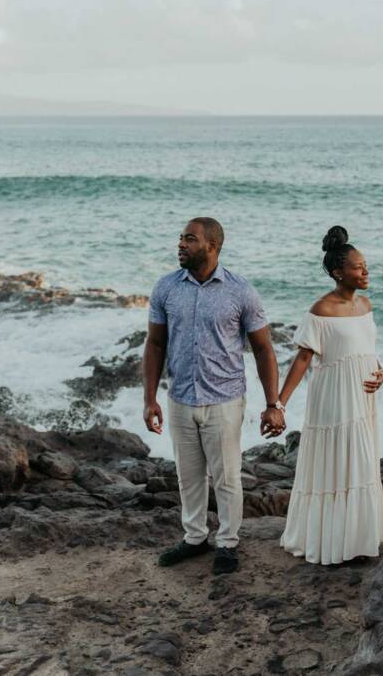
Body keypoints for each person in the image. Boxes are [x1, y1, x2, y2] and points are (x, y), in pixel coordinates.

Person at [143, 217, 286, 575]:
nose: (181, 244)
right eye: (180, 238)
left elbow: (264, 349)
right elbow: (155, 344)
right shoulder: (166, 287)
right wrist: (150, 399)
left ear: (212, 246)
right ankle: (194, 538)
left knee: (227, 478)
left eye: (189, 239)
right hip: (180, 398)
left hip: (224, 400)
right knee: (188, 476)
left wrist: (273, 404)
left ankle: (228, 542)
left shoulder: (241, 291)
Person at [278, 226, 383, 565]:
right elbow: (303, 360)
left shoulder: (365, 304)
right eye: (358, 267)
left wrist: (381, 371)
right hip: (334, 398)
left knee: (360, 462)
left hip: (363, 398)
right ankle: (329, 542)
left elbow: (366, 349)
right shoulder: (321, 310)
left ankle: (356, 540)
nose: (365, 271)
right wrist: (278, 404)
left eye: (365, 265)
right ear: (339, 272)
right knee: (335, 463)